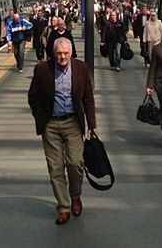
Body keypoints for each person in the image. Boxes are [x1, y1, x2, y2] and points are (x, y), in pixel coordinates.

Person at [28, 37, 97, 225]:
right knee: (55, 168)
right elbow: (32, 96)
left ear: (71, 52)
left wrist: (92, 124)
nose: (62, 57)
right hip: (50, 125)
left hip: (73, 122)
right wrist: (40, 117)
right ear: (54, 54)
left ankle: (75, 195)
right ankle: (63, 206)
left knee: (76, 163)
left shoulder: (81, 68)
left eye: (66, 53)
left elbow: (88, 98)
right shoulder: (42, 70)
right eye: (59, 54)